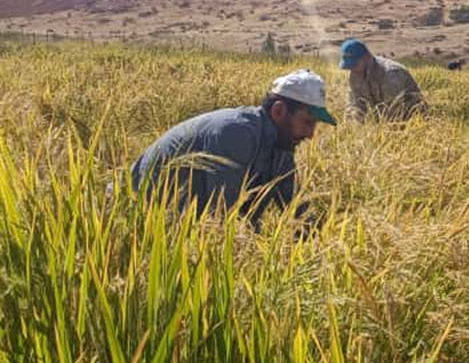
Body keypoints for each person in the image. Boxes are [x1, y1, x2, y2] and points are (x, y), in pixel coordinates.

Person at [131, 69, 336, 225]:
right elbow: (220, 220)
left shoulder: (281, 146)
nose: (310, 134)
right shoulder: (236, 133)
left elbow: (295, 208)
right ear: (279, 111)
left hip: (175, 221)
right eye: (307, 122)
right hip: (136, 215)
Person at [340, 38, 426, 120]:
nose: (352, 69)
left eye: (354, 64)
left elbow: (393, 111)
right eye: (349, 66)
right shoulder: (356, 74)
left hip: (408, 117)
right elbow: (354, 104)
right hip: (380, 116)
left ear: (366, 58)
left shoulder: (391, 74)